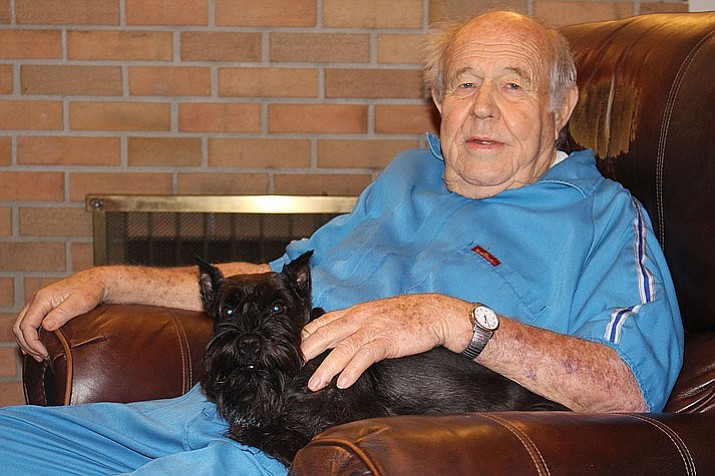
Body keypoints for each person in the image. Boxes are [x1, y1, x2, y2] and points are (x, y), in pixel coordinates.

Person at [4, 10, 683, 475]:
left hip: (323, 448)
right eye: (464, 83)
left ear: (558, 109)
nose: (482, 106)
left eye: (513, 85)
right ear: (439, 101)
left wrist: (454, 320)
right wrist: (108, 281)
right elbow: (266, 282)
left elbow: (626, 389)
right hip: (208, 415)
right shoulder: (403, 178)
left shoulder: (599, 216)